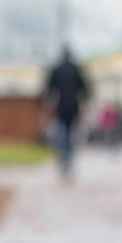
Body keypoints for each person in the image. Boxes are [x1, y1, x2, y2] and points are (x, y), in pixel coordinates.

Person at [43, 47, 88, 179]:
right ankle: (68, 160)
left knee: (61, 133)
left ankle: (63, 158)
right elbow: (85, 88)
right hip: (74, 106)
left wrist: (48, 103)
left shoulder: (57, 69)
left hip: (60, 106)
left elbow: (48, 88)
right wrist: (85, 101)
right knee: (70, 134)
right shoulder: (76, 69)